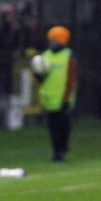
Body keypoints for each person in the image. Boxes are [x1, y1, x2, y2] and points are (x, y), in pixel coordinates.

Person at [33, 25, 77, 162]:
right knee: (53, 128)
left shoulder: (68, 56)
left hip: (63, 98)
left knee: (64, 126)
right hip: (49, 98)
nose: (52, 43)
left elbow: (71, 77)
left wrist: (67, 97)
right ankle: (57, 152)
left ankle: (62, 147)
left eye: (55, 40)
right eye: (51, 40)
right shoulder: (45, 56)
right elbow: (39, 77)